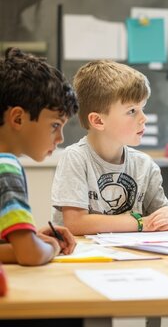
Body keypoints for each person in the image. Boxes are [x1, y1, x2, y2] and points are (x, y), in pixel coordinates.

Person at [51, 60, 168, 235]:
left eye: (142, 108)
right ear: (98, 121)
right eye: (132, 111)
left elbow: (162, 215)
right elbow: (76, 223)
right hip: (84, 257)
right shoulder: (76, 158)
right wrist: (140, 223)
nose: (143, 118)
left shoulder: (144, 165)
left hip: (129, 256)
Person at [0, 47, 81, 326]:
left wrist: (32, 237)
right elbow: (30, 256)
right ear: (18, 118)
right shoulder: (5, 167)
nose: (59, 138)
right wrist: (52, 246)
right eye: (55, 125)